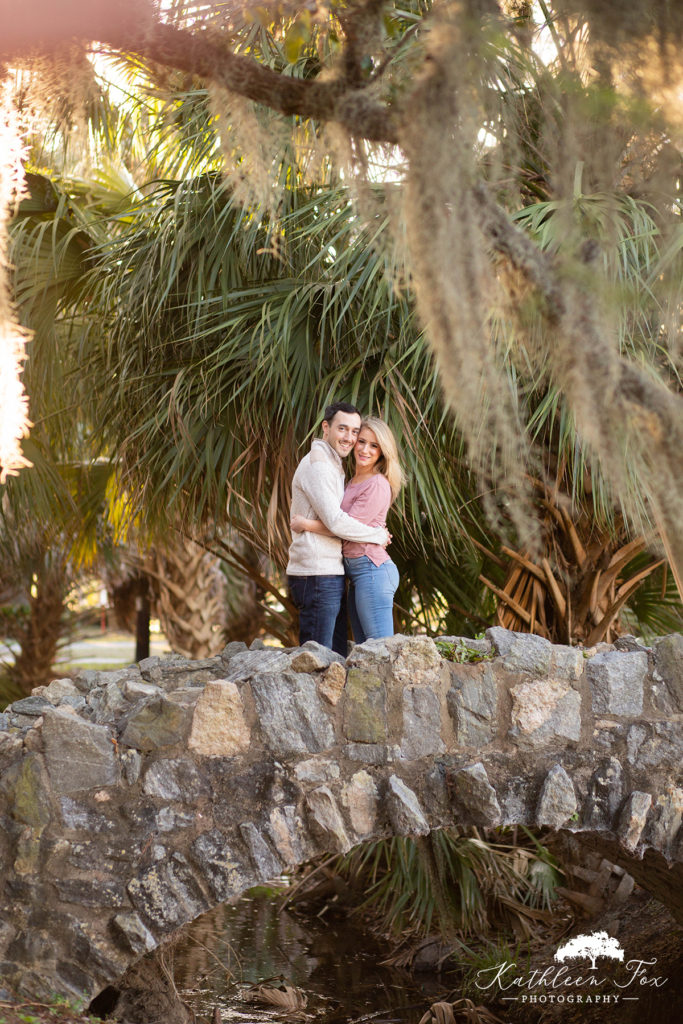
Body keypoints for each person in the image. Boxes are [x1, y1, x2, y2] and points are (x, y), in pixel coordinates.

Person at [286, 402, 390, 656]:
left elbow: (339, 519)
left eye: (354, 431)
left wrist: (307, 524)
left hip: (329, 572)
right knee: (317, 661)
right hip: (316, 573)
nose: (350, 438)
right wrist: (376, 534)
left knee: (334, 657)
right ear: (326, 427)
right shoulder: (319, 465)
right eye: (343, 429)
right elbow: (337, 521)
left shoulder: (335, 465)